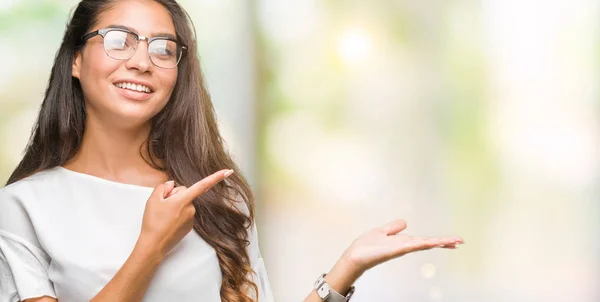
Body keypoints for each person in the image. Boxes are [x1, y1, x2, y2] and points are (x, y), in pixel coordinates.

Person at [0, 0, 464, 301]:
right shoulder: (24, 207)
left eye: (164, 49)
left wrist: (345, 270)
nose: (142, 61)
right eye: (119, 40)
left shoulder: (217, 196)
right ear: (76, 59)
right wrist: (151, 246)